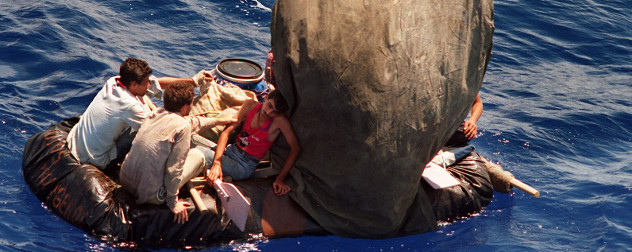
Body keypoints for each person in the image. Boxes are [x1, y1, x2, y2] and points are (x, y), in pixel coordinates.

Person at [119, 81, 236, 224]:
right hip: (151, 196)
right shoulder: (183, 128)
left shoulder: (155, 113)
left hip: (125, 179)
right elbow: (174, 169)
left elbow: (193, 122)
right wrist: (173, 203)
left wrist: (218, 121)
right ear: (185, 107)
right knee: (199, 155)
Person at [66, 58, 201, 170]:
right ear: (134, 84)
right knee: (145, 134)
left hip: (75, 142)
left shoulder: (114, 81)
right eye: (145, 83)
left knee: (137, 113)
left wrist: (193, 82)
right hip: (95, 159)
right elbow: (159, 129)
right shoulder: (130, 106)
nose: (149, 85)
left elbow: (156, 83)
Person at [205, 90, 300, 196]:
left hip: (243, 165)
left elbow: (295, 149)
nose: (269, 112)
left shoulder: (279, 121)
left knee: (200, 153)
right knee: (193, 140)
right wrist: (217, 163)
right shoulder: (250, 105)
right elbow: (226, 132)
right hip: (231, 150)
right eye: (269, 105)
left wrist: (280, 179)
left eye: (275, 112)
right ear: (266, 97)